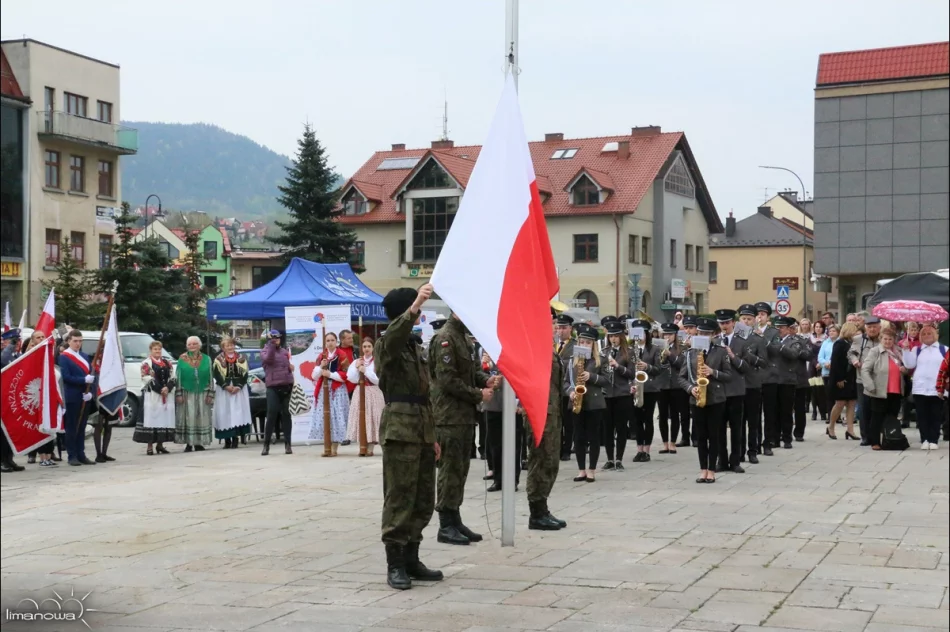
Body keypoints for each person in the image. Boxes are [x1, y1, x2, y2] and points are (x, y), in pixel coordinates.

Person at [376, 284, 442, 590]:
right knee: (400, 496)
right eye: (414, 311)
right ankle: (396, 563)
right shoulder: (388, 342)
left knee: (423, 497)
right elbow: (394, 335)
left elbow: (424, 395)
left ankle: (413, 556)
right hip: (400, 431)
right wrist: (415, 304)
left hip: (422, 428)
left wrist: (433, 437)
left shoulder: (414, 347)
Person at [430, 312, 496, 546]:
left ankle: (455, 518)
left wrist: (485, 380)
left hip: (464, 415)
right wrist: (478, 394)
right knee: (449, 470)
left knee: (460, 469)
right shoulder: (445, 339)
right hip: (449, 415)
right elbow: (447, 379)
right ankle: (445, 524)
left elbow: (470, 372)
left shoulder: (464, 339)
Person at [526, 306, 567, 531]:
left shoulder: (548, 347)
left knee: (550, 461)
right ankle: (536, 512)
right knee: (540, 461)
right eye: (551, 321)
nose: (554, 326)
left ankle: (542, 508)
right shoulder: (532, 345)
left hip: (552, 411)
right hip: (539, 411)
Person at [678, 317, 732, 483]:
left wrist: (712, 372)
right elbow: (681, 377)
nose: (703, 335)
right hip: (697, 398)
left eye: (707, 333)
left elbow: (728, 376)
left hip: (716, 398)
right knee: (701, 436)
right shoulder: (690, 353)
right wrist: (690, 388)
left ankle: (712, 470)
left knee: (714, 435)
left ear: (713, 335)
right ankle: (703, 469)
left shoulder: (721, 351)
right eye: (701, 332)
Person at [565, 323, 607, 481]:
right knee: (579, 437)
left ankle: (592, 469)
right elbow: (566, 382)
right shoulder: (571, 361)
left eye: (588, 342)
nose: (584, 345)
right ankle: (581, 469)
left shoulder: (600, 360)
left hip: (594, 404)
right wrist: (570, 393)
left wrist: (592, 377)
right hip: (576, 402)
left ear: (593, 344)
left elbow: (607, 380)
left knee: (593, 436)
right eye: (582, 342)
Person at [715, 309, 750, 474]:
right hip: (719, 391)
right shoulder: (714, 341)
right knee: (719, 428)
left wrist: (733, 356)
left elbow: (746, 368)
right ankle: (721, 461)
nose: (724, 326)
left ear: (733, 323)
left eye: (727, 322)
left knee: (736, 428)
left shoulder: (742, 342)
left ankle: (735, 461)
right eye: (721, 323)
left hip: (736, 390)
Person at [861, 327, 907, 450]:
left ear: (894, 340)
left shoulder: (899, 351)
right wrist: (870, 385)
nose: (887, 341)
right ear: (881, 339)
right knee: (877, 417)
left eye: (890, 339)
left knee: (892, 417)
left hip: (896, 390)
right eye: (885, 339)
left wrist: (905, 369)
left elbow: (906, 367)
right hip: (879, 390)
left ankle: (890, 439)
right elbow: (865, 369)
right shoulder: (875, 351)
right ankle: (875, 441)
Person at [903, 324, 947, 450]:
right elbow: (909, 364)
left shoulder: (944, 349)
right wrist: (906, 350)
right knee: (922, 415)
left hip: (937, 388)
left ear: (935, 335)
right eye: (924, 334)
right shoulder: (917, 350)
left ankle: (934, 439)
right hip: (920, 388)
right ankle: (925, 439)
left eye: (929, 333)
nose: (927, 336)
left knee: (936, 415)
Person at [599, 319, 634, 470]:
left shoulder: (629, 352)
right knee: (607, 428)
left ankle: (619, 458)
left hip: (622, 394)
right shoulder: (604, 352)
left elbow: (632, 373)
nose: (613, 339)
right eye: (610, 336)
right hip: (607, 394)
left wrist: (618, 366)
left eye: (616, 336)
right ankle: (609, 459)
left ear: (621, 336)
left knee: (620, 428)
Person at [59, 330, 97, 466]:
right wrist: (83, 380)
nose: (78, 344)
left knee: (82, 427)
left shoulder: (84, 356)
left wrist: (91, 392)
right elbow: (66, 377)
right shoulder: (64, 357)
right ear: (69, 341)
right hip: (72, 396)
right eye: (75, 341)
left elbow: (91, 377)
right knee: (71, 427)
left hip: (84, 396)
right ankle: (72, 455)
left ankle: (81, 454)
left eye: (80, 341)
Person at [310, 331, 350, 455]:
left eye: (332, 340)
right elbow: (314, 376)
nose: (330, 343)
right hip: (324, 389)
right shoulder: (322, 356)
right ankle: (327, 446)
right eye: (328, 340)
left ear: (336, 341)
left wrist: (331, 374)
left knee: (336, 416)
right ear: (325, 343)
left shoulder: (342, 355)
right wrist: (321, 367)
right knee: (326, 417)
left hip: (337, 389)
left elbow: (346, 375)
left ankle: (334, 448)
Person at [737, 305, 768, 464]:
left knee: (753, 421)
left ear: (755, 320)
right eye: (744, 319)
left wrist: (749, 356)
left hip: (753, 383)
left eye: (749, 319)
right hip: (737, 384)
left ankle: (753, 451)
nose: (746, 321)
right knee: (738, 422)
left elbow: (763, 362)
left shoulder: (758, 339)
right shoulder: (734, 338)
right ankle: (739, 452)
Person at [134, 341, 176, 455]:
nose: (157, 351)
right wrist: (160, 389)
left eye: (159, 349)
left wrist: (167, 388)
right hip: (152, 395)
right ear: (151, 351)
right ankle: (149, 446)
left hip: (165, 395)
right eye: (155, 349)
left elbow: (173, 377)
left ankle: (160, 444)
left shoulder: (167, 363)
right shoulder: (146, 363)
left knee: (163, 418)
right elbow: (146, 378)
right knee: (151, 418)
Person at [774, 317, 810, 448]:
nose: (778, 330)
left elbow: (794, 354)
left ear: (789, 329)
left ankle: (788, 437)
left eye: (781, 327)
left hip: (789, 379)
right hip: (774, 379)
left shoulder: (795, 341)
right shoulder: (773, 340)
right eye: (776, 327)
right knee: (775, 411)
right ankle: (775, 437)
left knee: (787, 410)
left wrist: (779, 345)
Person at [175, 336, 214, 452]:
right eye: (190, 344)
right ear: (187, 346)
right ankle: (188, 443)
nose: (192, 346)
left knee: (201, 416)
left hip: (203, 391)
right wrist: (179, 393)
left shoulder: (207, 359)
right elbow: (178, 377)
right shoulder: (182, 359)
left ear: (199, 345)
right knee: (189, 417)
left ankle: (199, 443)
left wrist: (211, 393)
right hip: (187, 392)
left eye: (194, 344)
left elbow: (211, 376)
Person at [212, 337, 252, 449]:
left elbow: (245, 373)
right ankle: (227, 440)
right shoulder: (218, 359)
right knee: (225, 413)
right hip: (224, 390)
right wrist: (225, 386)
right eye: (227, 346)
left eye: (231, 345)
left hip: (238, 389)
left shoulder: (241, 358)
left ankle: (235, 439)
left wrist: (238, 386)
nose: (230, 347)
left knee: (237, 413)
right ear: (223, 348)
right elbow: (216, 374)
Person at [345, 336, 383, 455]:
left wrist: (365, 370)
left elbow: (378, 379)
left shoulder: (377, 361)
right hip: (360, 391)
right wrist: (357, 368)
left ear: (373, 348)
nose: (366, 349)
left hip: (373, 392)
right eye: (364, 346)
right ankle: (362, 446)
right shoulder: (356, 361)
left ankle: (370, 447)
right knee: (361, 418)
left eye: (369, 346)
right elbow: (351, 378)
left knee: (372, 418)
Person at [260, 329, 295, 455]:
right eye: (273, 338)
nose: (276, 340)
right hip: (273, 387)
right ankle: (266, 444)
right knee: (271, 415)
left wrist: (290, 370)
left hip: (286, 386)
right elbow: (269, 360)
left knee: (286, 415)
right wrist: (271, 346)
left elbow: (288, 367)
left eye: (278, 338)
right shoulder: (264, 351)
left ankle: (288, 444)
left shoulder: (285, 352)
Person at [850, 315, 881, 446]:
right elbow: (851, 353)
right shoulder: (858, 340)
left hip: (879, 380)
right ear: (865, 328)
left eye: (875, 327)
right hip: (862, 379)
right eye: (869, 327)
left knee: (877, 409)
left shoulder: (883, 340)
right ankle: (865, 436)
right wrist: (855, 361)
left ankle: (876, 435)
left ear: (879, 327)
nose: (872, 329)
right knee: (864, 408)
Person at [756, 302, 781, 456]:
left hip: (770, 376)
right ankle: (756, 442)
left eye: (763, 314)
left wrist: (763, 339)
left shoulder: (773, 332)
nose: (760, 317)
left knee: (769, 412)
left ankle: (768, 442)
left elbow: (775, 350)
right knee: (755, 413)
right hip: (755, 377)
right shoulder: (749, 331)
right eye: (758, 314)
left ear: (767, 316)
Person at [828, 322, 860, 441]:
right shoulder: (839, 343)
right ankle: (831, 426)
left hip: (851, 377)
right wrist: (839, 378)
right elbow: (836, 362)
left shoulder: (852, 343)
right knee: (840, 403)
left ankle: (850, 430)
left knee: (851, 403)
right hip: (840, 378)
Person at [657, 323, 685, 454]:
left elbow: (681, 364)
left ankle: (673, 442)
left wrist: (670, 355)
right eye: (665, 334)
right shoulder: (657, 347)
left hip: (676, 385)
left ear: (675, 335)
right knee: (662, 415)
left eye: (670, 334)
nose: (667, 337)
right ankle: (665, 443)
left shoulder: (682, 349)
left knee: (674, 414)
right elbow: (656, 365)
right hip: (662, 385)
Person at [554, 312, 575, 461]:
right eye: (558, 327)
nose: (560, 331)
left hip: (567, 389)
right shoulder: (552, 344)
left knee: (568, 422)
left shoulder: (575, 345)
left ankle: (567, 449)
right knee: (556, 421)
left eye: (563, 328)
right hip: (554, 389)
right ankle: (557, 447)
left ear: (570, 329)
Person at [817, 324, 839, 424]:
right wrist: (824, 363)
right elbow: (820, 356)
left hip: (837, 372)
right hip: (826, 372)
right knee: (829, 395)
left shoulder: (840, 342)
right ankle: (830, 416)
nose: (831, 333)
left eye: (834, 331)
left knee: (837, 396)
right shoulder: (825, 343)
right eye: (830, 331)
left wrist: (832, 363)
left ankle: (837, 416)